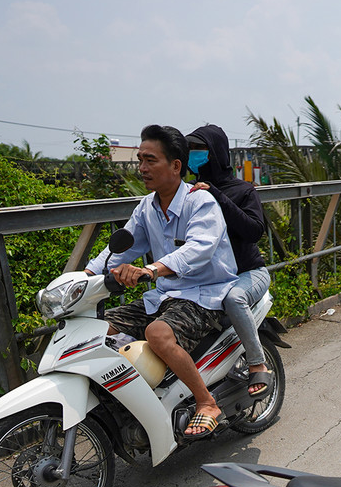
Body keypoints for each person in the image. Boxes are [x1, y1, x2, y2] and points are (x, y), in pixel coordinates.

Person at [85, 124, 237, 440]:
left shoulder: (201, 202)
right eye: (140, 159)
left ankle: (206, 402)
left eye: (150, 160)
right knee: (96, 329)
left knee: (157, 333)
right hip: (165, 294)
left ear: (176, 166)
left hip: (203, 294)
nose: (141, 168)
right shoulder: (147, 207)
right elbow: (124, 247)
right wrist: (85, 276)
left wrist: (152, 270)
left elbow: (199, 249)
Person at [185, 124, 274, 400]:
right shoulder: (189, 193)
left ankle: (257, 363)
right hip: (211, 278)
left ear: (216, 153)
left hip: (248, 274)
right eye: (188, 151)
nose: (192, 157)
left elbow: (254, 231)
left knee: (234, 298)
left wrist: (218, 196)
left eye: (199, 151)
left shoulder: (243, 190)